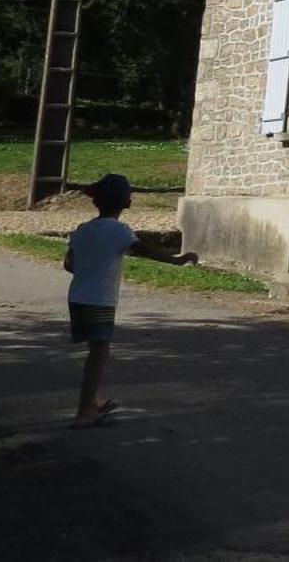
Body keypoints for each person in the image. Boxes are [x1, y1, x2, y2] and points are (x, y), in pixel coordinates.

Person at [63, 173, 197, 427]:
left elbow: (69, 265)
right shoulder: (120, 231)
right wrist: (177, 260)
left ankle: (94, 401)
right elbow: (142, 250)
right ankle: (84, 411)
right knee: (99, 351)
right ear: (127, 202)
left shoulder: (83, 229)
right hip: (99, 299)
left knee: (95, 348)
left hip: (78, 297)